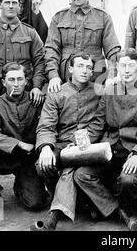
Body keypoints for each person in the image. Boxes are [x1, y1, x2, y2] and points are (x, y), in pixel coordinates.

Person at [73, 48, 137, 231]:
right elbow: (98, 124)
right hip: (111, 147)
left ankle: (131, 209)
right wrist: (81, 144)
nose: (127, 70)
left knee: (128, 180)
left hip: (136, 148)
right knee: (82, 174)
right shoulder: (110, 90)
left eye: (131, 65)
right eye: (123, 65)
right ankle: (119, 212)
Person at [33, 53, 102, 230]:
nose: (85, 71)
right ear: (70, 69)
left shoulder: (99, 92)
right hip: (61, 144)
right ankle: (82, 202)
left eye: (88, 68)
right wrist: (46, 148)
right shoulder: (57, 93)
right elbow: (46, 125)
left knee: (71, 167)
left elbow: (102, 122)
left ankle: (53, 216)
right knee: (44, 165)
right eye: (80, 66)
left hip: (88, 145)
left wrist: (83, 142)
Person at [0, 62, 45, 216]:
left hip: (28, 160)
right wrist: (18, 144)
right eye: (11, 80)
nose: (16, 84)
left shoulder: (37, 101)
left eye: (20, 79)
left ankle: (21, 185)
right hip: (4, 157)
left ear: (26, 80)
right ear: (4, 83)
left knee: (35, 203)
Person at [44, 0, 121, 93]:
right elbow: (51, 50)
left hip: (95, 77)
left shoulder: (102, 17)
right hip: (66, 78)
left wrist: (111, 76)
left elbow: (113, 51)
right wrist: (53, 76)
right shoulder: (59, 18)